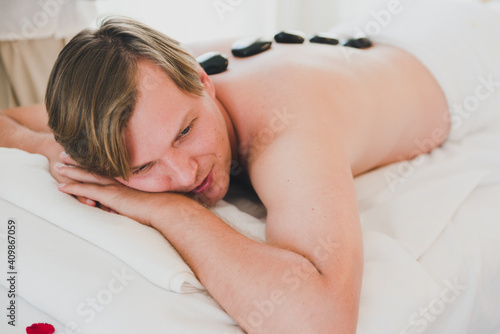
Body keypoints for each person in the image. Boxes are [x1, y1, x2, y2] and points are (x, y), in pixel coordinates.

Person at [1, 0, 499, 332]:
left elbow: (322, 320)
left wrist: (167, 212)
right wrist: (46, 149)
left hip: (469, 51)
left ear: (202, 82)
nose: (182, 175)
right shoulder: (139, 91)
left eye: (186, 132)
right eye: (144, 166)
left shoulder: (286, 126)